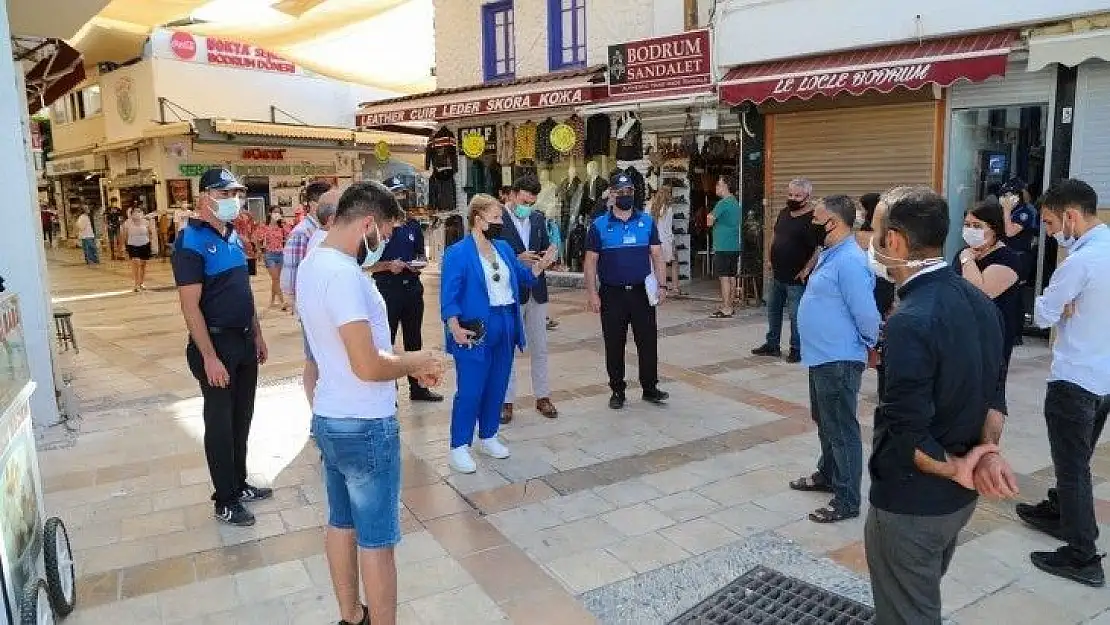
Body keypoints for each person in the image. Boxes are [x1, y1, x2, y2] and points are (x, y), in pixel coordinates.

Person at [865, 187, 1017, 623]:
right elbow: (994, 396)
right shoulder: (977, 299)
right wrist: (985, 454)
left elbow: (908, 434)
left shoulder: (910, 322)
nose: (869, 242)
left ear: (894, 240)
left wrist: (960, 466)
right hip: (955, 503)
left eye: (874, 232)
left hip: (912, 506)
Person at [297, 181, 444, 625]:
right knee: (377, 541)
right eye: (384, 232)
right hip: (364, 423)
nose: (384, 243)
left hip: (331, 415)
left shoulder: (314, 263)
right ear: (367, 224)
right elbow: (366, 363)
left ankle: (350, 616)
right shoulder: (343, 275)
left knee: (341, 522)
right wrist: (414, 361)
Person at [1011, 179, 1110, 587]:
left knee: (1072, 467)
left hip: (1075, 379)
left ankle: (1082, 555)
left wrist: (1056, 305)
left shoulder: (1079, 263)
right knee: (1078, 456)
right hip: (1103, 379)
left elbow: (1046, 314)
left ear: (1070, 216)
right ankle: (1060, 511)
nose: (1050, 233)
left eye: (1050, 224)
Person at [172, 168, 272, 527]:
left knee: (241, 417)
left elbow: (243, 292)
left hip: (244, 340)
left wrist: (257, 334)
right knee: (219, 423)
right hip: (215, 343)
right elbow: (189, 306)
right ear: (206, 197)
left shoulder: (233, 236)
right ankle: (225, 500)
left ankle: (239, 482)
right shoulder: (190, 242)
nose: (234, 200)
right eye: (226, 193)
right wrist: (209, 357)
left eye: (237, 194)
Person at [441, 194, 555, 474]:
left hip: (505, 323)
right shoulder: (458, 253)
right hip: (474, 327)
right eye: (495, 218)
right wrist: (454, 326)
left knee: (497, 384)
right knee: (470, 389)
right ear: (477, 220)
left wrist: (541, 265)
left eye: (500, 218)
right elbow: (449, 295)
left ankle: (488, 435)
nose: (500, 223)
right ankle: (459, 446)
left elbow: (525, 277)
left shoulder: (503, 248)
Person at [790, 195, 880, 523]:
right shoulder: (831, 254)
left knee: (841, 427)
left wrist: (871, 344)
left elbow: (866, 314)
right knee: (824, 420)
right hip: (822, 356)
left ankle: (847, 498)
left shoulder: (851, 261)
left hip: (839, 359)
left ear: (835, 223)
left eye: (816, 218)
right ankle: (827, 474)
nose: (810, 224)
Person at [583, 172, 669, 410]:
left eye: (629, 191)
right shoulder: (599, 225)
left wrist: (662, 285)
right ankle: (617, 391)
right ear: (611, 194)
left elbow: (657, 255)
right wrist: (592, 293)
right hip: (612, 294)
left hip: (642, 293)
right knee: (614, 343)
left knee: (648, 342)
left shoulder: (647, 222)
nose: (625, 196)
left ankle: (650, 388)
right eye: (620, 192)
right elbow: (590, 263)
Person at [368, 177, 442, 404]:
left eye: (402, 193)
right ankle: (389, 392)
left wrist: (417, 264)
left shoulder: (412, 226)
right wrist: (388, 266)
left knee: (414, 341)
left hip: (412, 290)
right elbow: (365, 264)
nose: (401, 197)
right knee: (386, 342)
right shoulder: (376, 230)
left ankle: (419, 389)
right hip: (387, 290)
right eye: (395, 193)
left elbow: (421, 256)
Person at [499, 175, 559, 422]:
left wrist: (548, 257)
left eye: (532, 202)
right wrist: (517, 259)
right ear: (512, 195)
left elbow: (544, 247)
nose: (527, 206)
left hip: (537, 290)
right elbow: (491, 256)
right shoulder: (498, 219)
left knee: (540, 347)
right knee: (508, 349)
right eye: (524, 200)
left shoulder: (537, 219)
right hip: (511, 292)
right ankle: (506, 401)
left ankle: (543, 396)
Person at [956, 200, 1023, 409]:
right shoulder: (964, 252)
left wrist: (967, 260)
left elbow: (981, 292)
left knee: (986, 401)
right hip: (961, 337)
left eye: (977, 226)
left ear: (994, 229)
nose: (970, 230)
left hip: (990, 342)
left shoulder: (1007, 259)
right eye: (967, 225)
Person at [751, 178, 820, 362]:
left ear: (807, 196)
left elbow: (818, 248)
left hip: (797, 278)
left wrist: (806, 269)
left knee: (796, 315)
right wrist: (769, 258)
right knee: (773, 311)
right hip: (777, 274)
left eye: (797, 195)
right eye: (790, 194)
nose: (792, 198)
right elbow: (774, 235)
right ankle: (772, 345)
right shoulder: (784, 213)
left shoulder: (813, 218)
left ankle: (796, 349)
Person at [707, 174, 742, 318]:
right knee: (731, 276)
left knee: (724, 277)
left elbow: (709, 221)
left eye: (718, 184)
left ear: (726, 186)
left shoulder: (722, 203)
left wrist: (710, 216)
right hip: (734, 245)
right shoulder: (735, 202)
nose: (716, 187)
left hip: (722, 245)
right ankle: (730, 305)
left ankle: (726, 308)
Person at [648, 185, 681, 296]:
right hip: (666, 239)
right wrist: (672, 241)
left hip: (654, 239)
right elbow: (668, 227)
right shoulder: (668, 209)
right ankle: (675, 287)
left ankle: (660, 286)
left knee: (657, 264)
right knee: (674, 262)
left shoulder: (650, 207)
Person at [257, 210, 288, 309]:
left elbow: (289, 234)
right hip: (269, 254)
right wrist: (259, 251)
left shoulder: (281, 228)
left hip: (280, 254)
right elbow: (258, 239)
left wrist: (284, 222)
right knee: (275, 278)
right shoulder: (264, 227)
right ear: (270, 214)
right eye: (275, 212)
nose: (277, 214)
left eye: (278, 212)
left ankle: (273, 300)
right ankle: (283, 301)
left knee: (276, 280)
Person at [123, 207, 157, 292]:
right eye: (135, 212)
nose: (137, 213)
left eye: (139, 212)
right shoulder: (128, 222)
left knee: (143, 264)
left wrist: (151, 244)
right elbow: (125, 235)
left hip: (144, 244)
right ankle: (136, 284)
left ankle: (141, 283)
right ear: (132, 213)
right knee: (136, 263)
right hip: (132, 244)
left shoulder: (146, 222)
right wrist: (124, 246)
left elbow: (150, 233)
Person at [233, 199, 258, 276]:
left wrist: (256, 247)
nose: (240, 199)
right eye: (238, 197)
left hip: (248, 246)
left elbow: (253, 232)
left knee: (248, 273)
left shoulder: (248, 215)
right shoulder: (230, 214)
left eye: (242, 197)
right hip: (234, 246)